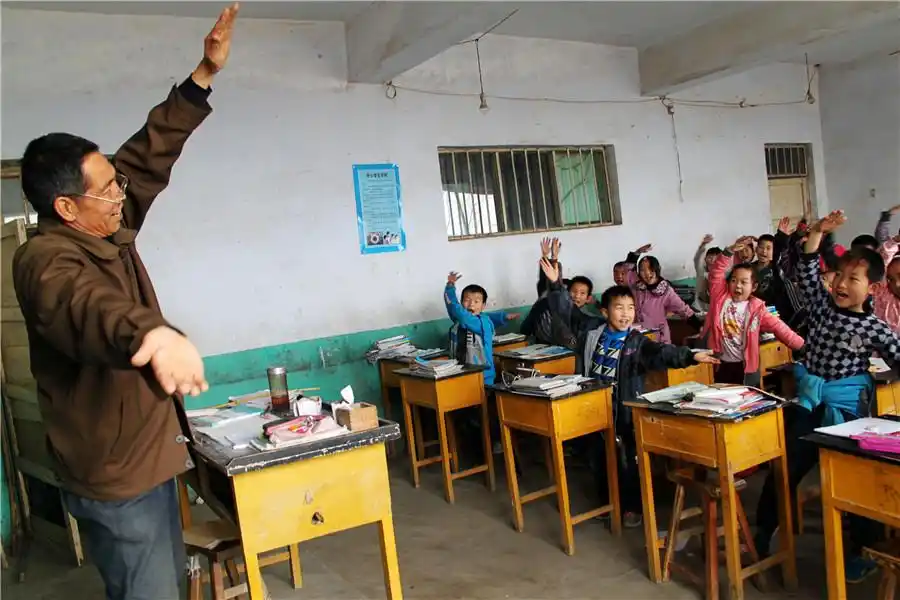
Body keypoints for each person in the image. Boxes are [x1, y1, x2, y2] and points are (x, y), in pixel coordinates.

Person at [10, 5, 240, 599]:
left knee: (162, 582)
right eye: (108, 188)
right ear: (66, 207)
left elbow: (147, 153)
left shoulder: (104, 223)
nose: (121, 192)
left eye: (115, 180)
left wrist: (202, 76)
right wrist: (151, 334)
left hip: (149, 453)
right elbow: (89, 309)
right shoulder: (45, 262)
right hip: (114, 475)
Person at [754, 210, 900, 583]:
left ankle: (860, 553)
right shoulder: (820, 305)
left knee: (857, 482)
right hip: (808, 404)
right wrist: (817, 231)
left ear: (873, 289)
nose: (841, 284)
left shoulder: (875, 328)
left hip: (848, 411)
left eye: (853, 279)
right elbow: (804, 267)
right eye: (839, 276)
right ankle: (761, 536)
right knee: (782, 469)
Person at [541, 259, 719, 528]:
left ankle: (632, 506)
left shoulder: (635, 342)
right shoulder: (591, 331)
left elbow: (662, 353)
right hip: (595, 408)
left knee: (628, 461)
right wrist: (555, 283)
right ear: (604, 311)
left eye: (630, 308)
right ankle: (607, 501)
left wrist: (690, 355)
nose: (626, 314)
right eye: (619, 308)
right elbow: (568, 312)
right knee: (599, 458)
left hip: (623, 410)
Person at [700, 236, 804, 386]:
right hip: (719, 363)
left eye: (744, 282)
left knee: (749, 400)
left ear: (753, 287)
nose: (738, 286)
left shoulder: (757, 309)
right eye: (734, 280)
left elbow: (780, 328)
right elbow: (716, 273)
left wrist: (802, 347)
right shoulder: (720, 297)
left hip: (747, 366)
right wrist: (728, 252)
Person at [444, 272, 518, 385]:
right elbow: (452, 307)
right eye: (467, 300)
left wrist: (450, 290)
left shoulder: (478, 322)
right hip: (461, 372)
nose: (471, 305)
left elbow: (460, 312)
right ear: (461, 303)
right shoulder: (461, 320)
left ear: (483, 306)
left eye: (476, 301)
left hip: (483, 376)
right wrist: (450, 285)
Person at [623, 243, 700, 344]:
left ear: (657, 269)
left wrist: (699, 326)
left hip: (659, 339)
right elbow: (628, 268)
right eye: (642, 270)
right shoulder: (636, 285)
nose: (647, 273)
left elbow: (684, 310)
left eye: (651, 269)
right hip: (639, 338)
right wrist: (637, 253)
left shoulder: (666, 291)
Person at [692, 233, 721, 312]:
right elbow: (696, 259)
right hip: (698, 307)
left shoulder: (723, 275)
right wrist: (703, 244)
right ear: (705, 259)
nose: (713, 260)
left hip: (715, 309)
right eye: (710, 257)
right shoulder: (701, 271)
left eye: (716, 258)